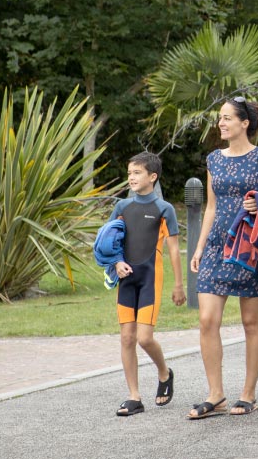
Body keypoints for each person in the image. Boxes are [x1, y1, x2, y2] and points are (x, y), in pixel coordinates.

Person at [188, 96, 258, 419]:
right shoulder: (214, 159)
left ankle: (248, 394)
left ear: (245, 123)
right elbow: (211, 207)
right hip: (217, 247)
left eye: (227, 118)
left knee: (251, 322)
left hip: (250, 246)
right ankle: (216, 395)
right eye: (220, 118)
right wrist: (199, 247)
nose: (221, 123)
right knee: (206, 320)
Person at [110, 152, 186, 416]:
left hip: (150, 279)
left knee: (144, 338)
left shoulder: (164, 209)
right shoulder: (121, 207)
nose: (131, 177)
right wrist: (116, 263)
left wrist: (179, 285)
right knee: (127, 337)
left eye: (137, 172)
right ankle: (134, 397)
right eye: (129, 172)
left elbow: (175, 250)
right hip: (126, 278)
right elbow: (111, 242)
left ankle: (164, 373)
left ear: (152, 177)